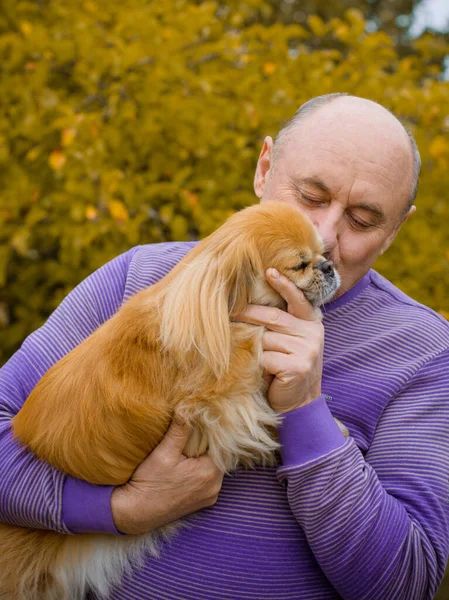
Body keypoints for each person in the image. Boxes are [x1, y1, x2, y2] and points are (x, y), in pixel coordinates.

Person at [0, 93, 448, 600]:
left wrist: (305, 412)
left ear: (394, 230)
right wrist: (122, 509)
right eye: (309, 195)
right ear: (264, 169)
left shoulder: (423, 350)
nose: (324, 234)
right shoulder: (139, 277)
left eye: (364, 220)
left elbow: (406, 582)